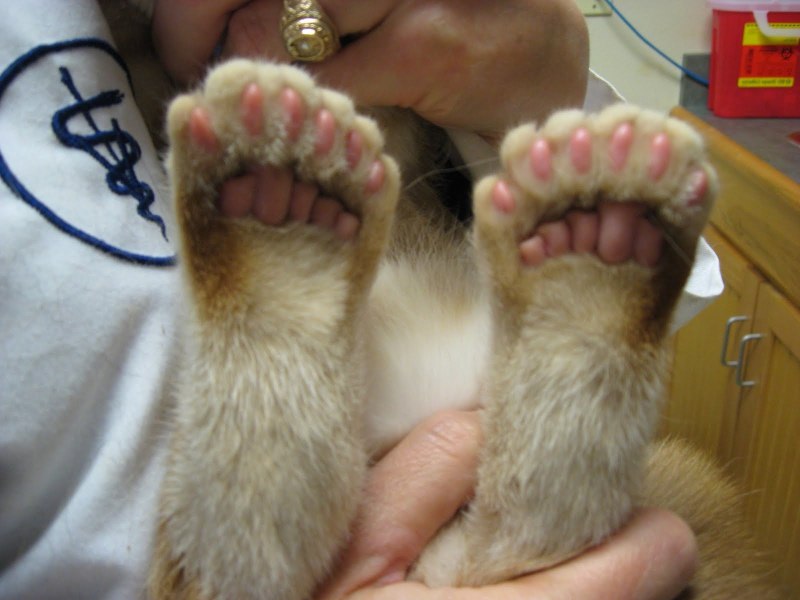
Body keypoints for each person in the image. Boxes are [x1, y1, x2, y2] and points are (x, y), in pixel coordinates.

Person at [0, 0, 714, 598]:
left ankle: (276, 354)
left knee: (244, 533)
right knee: (528, 504)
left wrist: (530, 80)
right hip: (403, 429)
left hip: (389, 397)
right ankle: (580, 377)